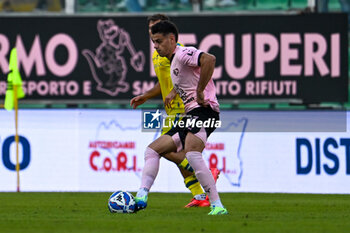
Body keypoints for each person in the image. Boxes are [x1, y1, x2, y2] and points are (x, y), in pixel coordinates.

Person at [134, 20, 227, 215]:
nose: (156, 47)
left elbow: (209, 59)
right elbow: (186, 79)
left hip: (205, 111)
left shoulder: (183, 53)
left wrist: (201, 91)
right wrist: (172, 93)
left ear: (172, 39)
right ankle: (141, 195)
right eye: (153, 43)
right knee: (153, 150)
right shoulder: (173, 61)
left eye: (159, 42)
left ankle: (217, 205)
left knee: (192, 154)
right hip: (191, 114)